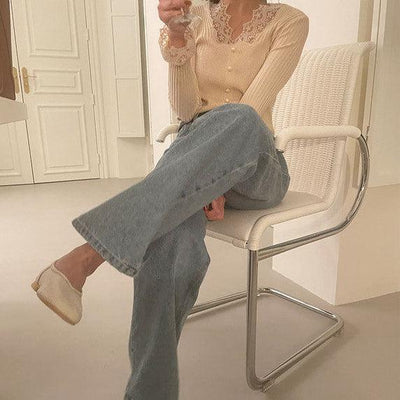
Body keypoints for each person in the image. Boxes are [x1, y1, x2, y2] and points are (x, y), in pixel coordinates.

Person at [31, 0, 309, 398]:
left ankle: (87, 255)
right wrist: (179, 40)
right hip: (195, 159)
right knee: (170, 246)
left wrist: (216, 183)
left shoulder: (289, 22)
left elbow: (253, 107)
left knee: (242, 119)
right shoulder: (195, 17)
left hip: (257, 165)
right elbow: (185, 110)